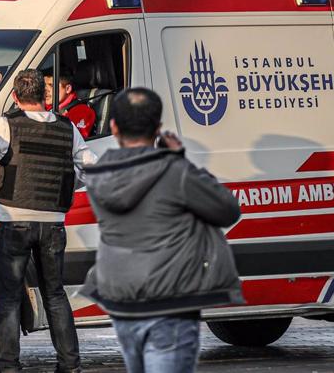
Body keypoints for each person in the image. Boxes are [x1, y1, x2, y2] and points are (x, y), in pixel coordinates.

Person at [79, 88, 243, 373]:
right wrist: (179, 158)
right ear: (157, 128)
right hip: (169, 300)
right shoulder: (174, 171)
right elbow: (227, 209)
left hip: (121, 299)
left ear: (114, 126)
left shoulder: (101, 173)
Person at [0, 69, 96, 373]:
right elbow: (90, 168)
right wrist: (67, 183)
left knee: (9, 298)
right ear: (45, 96)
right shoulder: (67, 128)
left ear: (15, 97)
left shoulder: (7, 125)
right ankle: (70, 365)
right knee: (55, 295)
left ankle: (9, 365)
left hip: (14, 222)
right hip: (53, 224)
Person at [43, 69, 96, 139]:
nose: (45, 90)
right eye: (44, 85)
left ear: (67, 89)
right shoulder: (46, 106)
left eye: (51, 85)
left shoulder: (82, 111)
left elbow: (73, 141)